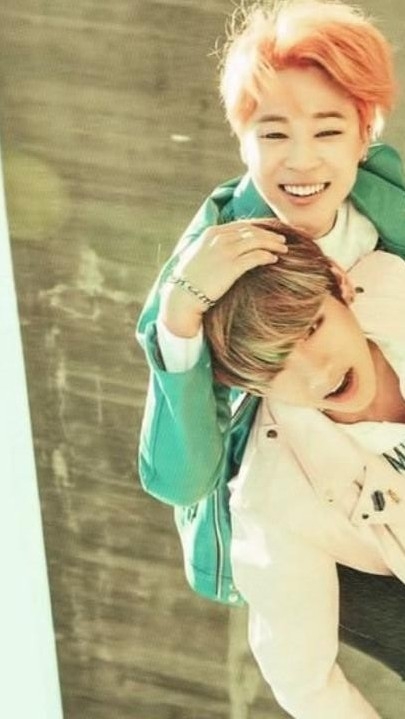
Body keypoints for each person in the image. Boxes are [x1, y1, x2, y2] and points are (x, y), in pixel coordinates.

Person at [136, 0, 405, 673]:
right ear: (242, 139)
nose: (301, 162)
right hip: (322, 532)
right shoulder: (206, 272)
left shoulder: (386, 200)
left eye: (328, 129)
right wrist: (180, 319)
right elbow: (180, 478)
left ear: (364, 133)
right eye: (273, 133)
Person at [203, 220, 405, 718]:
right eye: (274, 366)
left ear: (340, 285)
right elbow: (303, 682)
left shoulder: (393, 285)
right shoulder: (272, 501)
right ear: (252, 386)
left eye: (312, 328)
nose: (318, 373)